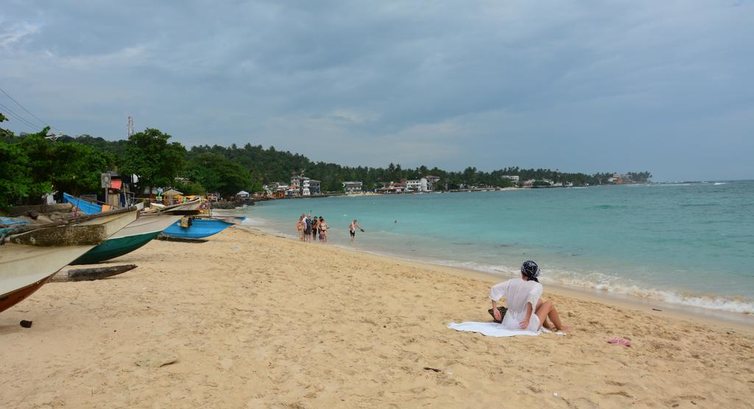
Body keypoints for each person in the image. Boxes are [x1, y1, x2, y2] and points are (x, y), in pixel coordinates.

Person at [489, 260, 568, 332]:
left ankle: (546, 325)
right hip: (525, 325)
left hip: (508, 322)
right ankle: (560, 327)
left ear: (522, 272)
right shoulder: (536, 286)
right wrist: (527, 320)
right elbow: (531, 297)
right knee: (549, 304)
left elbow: (494, 288)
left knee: (539, 301)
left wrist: (495, 309)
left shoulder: (512, 282)